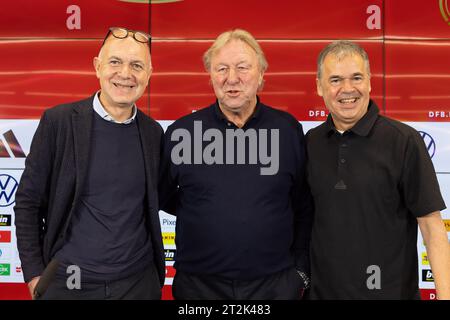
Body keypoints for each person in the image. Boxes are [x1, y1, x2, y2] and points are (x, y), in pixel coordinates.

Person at [159, 29, 313, 300]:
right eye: (221, 69)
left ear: (261, 75)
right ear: (211, 76)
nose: (232, 78)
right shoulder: (182, 133)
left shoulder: (288, 130)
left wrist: (299, 272)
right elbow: (163, 196)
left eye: (242, 67)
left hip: (274, 286)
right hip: (199, 287)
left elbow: (302, 203)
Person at [14, 27, 165, 300]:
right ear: (97, 67)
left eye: (137, 65)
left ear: (148, 74)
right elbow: (28, 203)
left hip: (137, 283)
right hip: (69, 281)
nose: (125, 74)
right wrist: (35, 275)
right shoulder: (58, 122)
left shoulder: (153, 133)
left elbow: (168, 195)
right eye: (115, 62)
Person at [306, 40, 450, 299]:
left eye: (357, 77)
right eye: (335, 79)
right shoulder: (310, 143)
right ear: (319, 86)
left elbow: (432, 226)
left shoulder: (403, 140)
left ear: (370, 82)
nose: (347, 89)